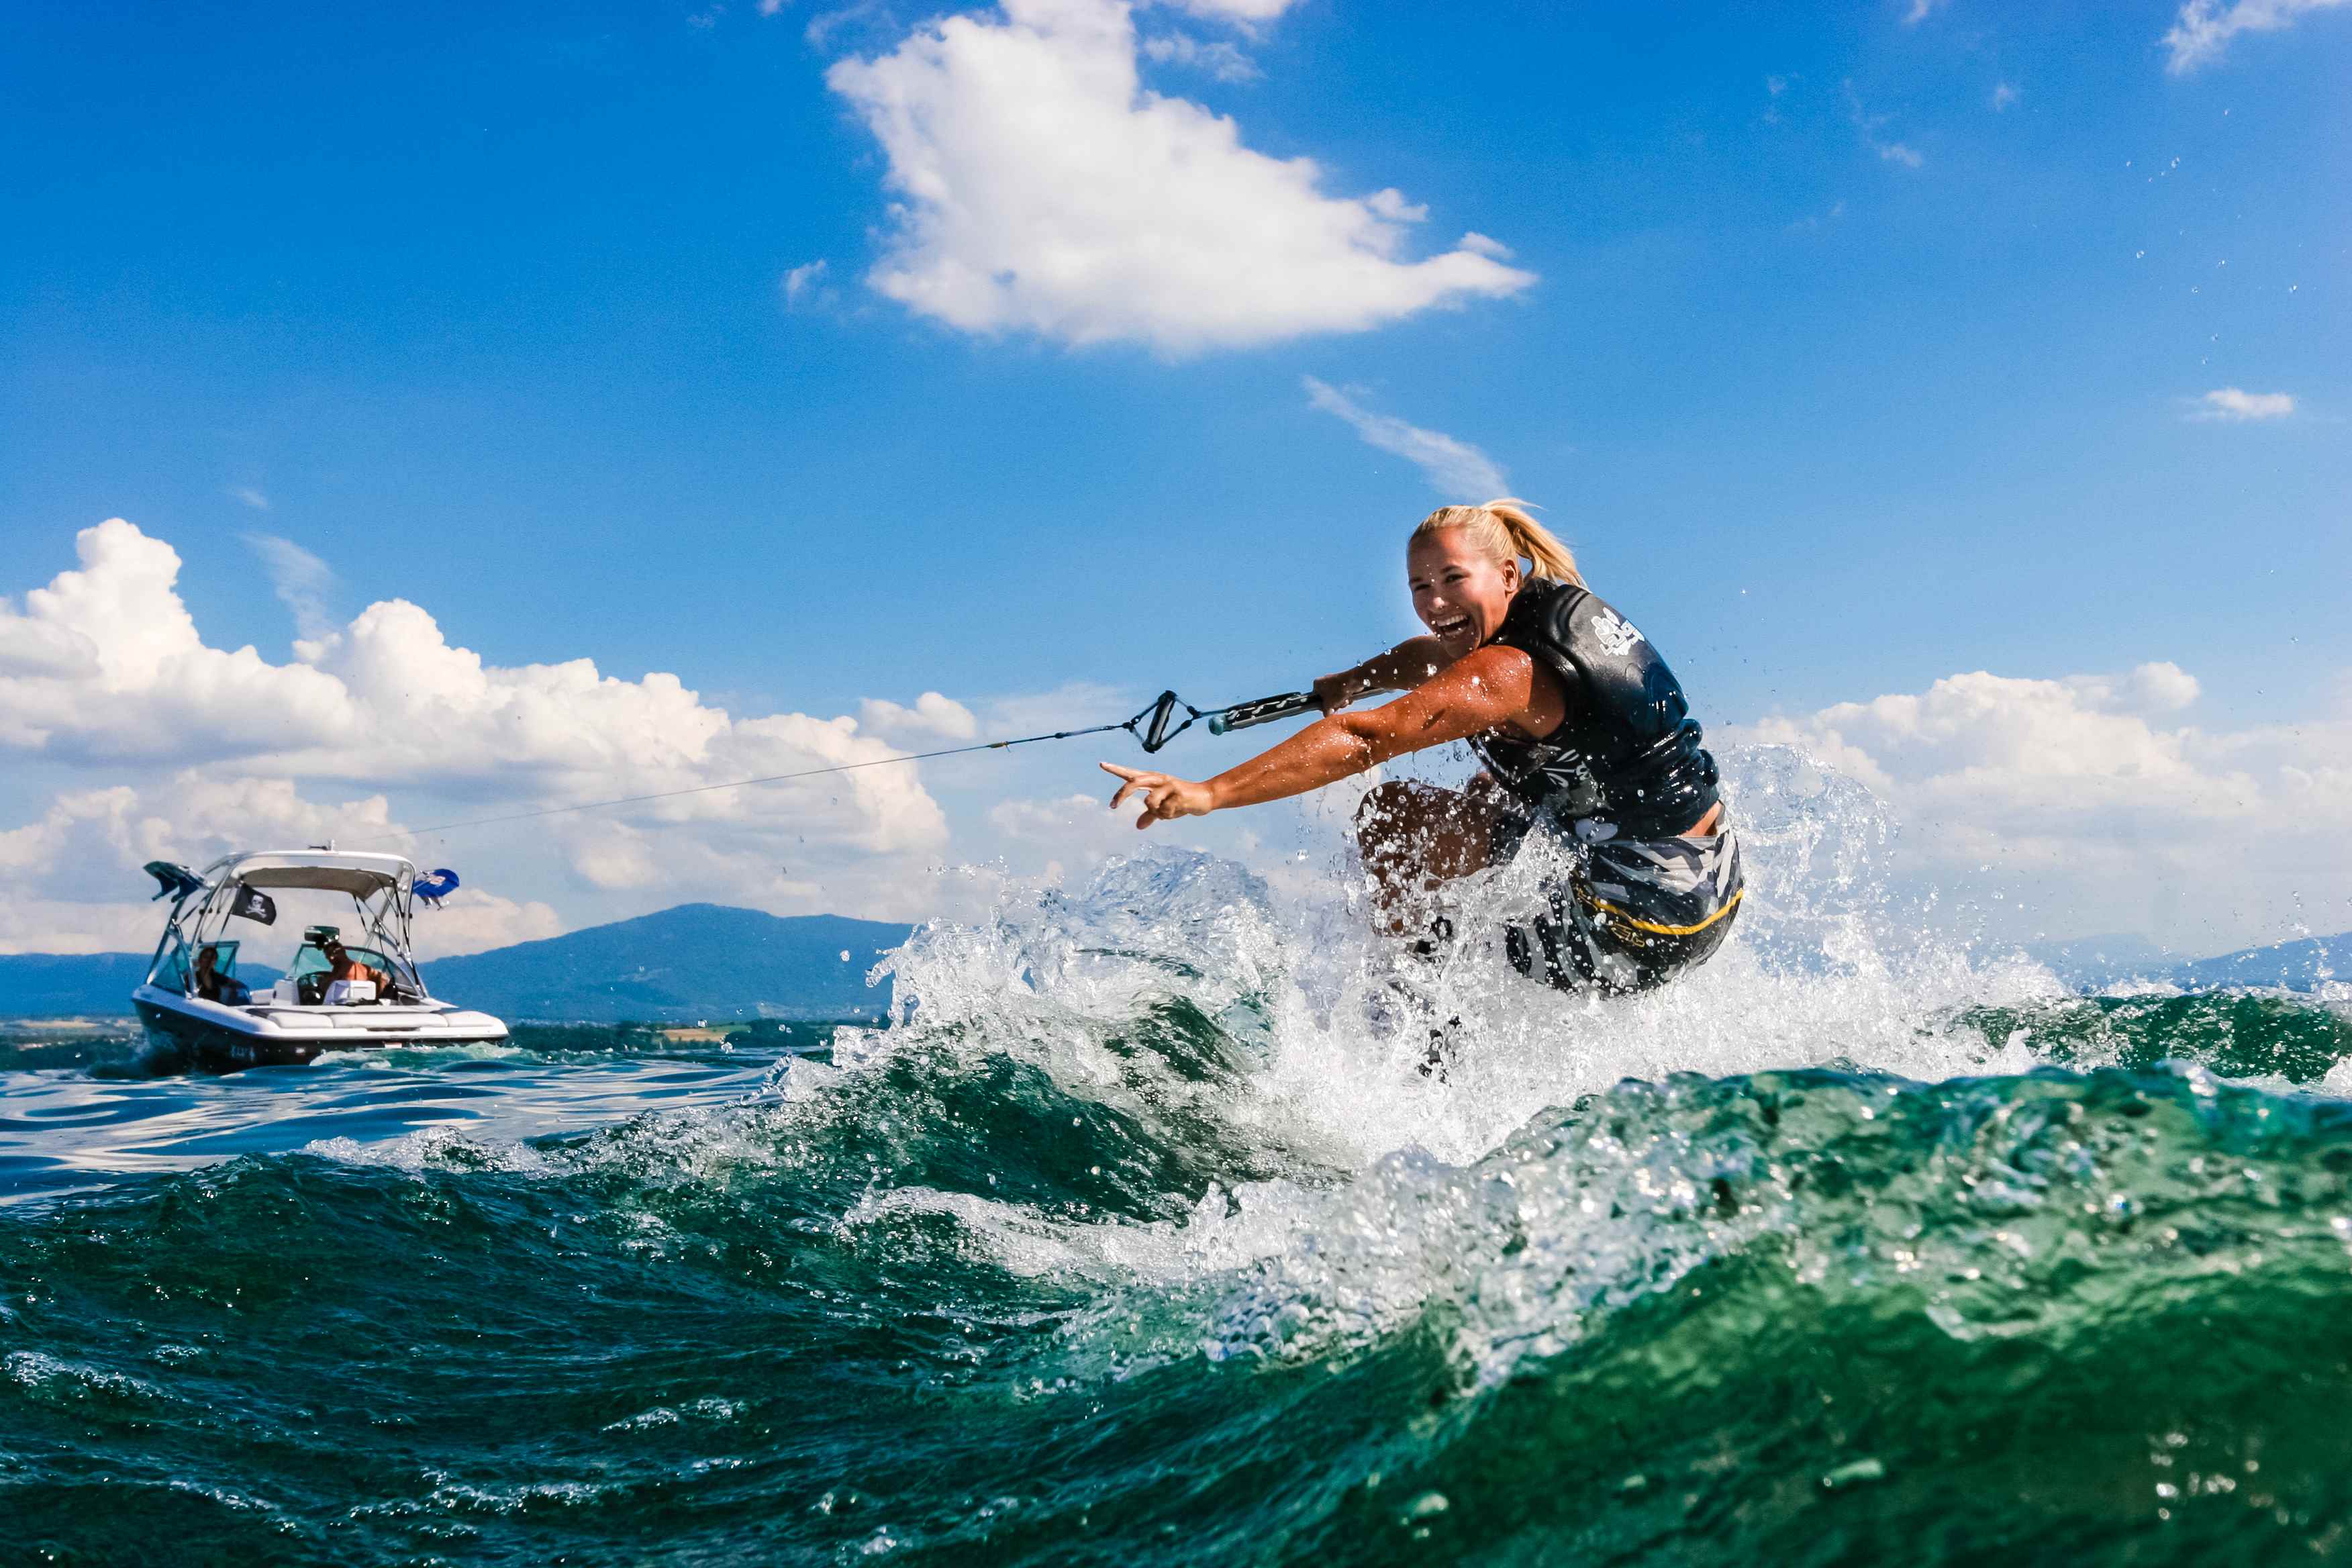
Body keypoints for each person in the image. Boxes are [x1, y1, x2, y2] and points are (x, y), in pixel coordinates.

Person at [1101, 499, 1741, 996]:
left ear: (1507, 575)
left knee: (1393, 818)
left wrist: (1210, 792)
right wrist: (1353, 681)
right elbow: (1429, 660)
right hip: (1712, 884)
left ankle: (1418, 1021)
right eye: (1418, 586)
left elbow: (1366, 736)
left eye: (1453, 579)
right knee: (1484, 795)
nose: (1434, 603)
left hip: (1641, 925)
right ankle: (1437, 982)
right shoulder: (1542, 618)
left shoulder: (1509, 673)